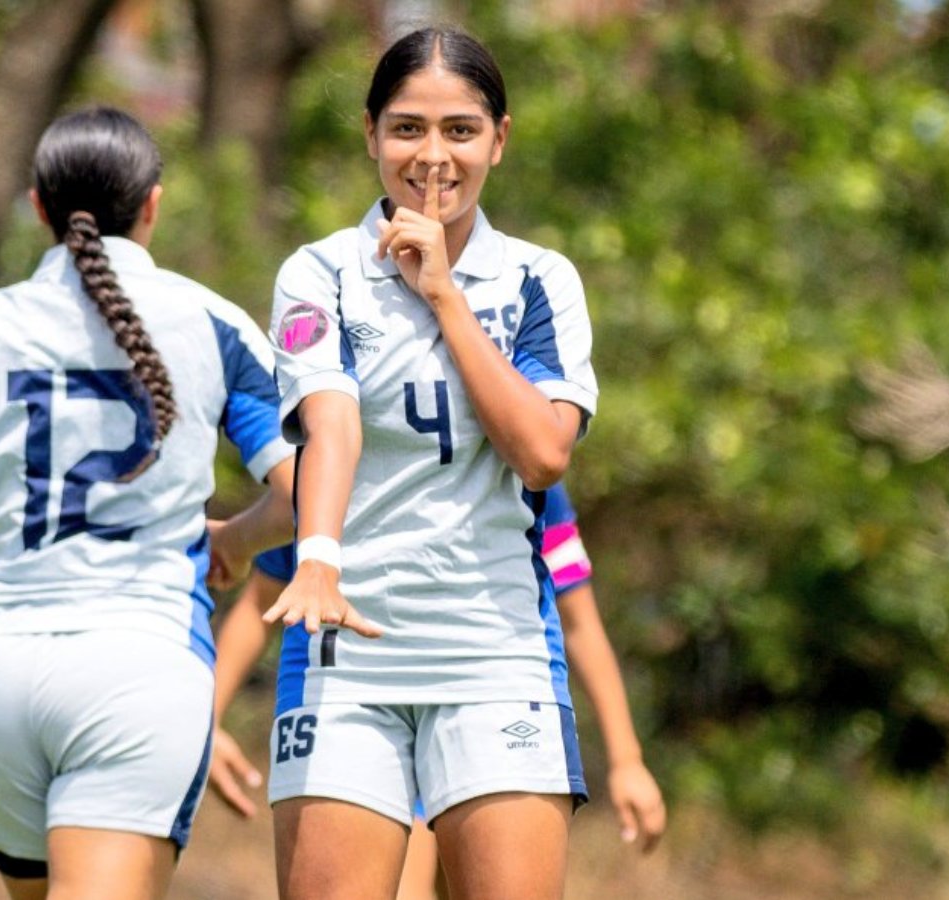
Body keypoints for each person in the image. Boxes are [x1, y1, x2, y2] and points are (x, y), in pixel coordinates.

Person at [0, 106, 295, 900]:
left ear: (37, 207)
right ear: (153, 204)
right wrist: (238, 537)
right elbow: (305, 490)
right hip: (138, 663)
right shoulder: (211, 323)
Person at [261, 26, 600, 899]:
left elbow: (542, 454)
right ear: (369, 134)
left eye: (460, 129)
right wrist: (319, 560)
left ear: (499, 138)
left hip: (497, 653)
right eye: (408, 128)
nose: (433, 155)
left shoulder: (538, 279)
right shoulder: (318, 273)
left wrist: (444, 292)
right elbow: (330, 426)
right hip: (345, 649)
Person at [208, 485, 665, 899]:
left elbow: (579, 621)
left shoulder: (511, 454)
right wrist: (207, 721)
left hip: (480, 703)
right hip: (362, 709)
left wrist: (627, 760)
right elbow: (260, 601)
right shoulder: (328, 446)